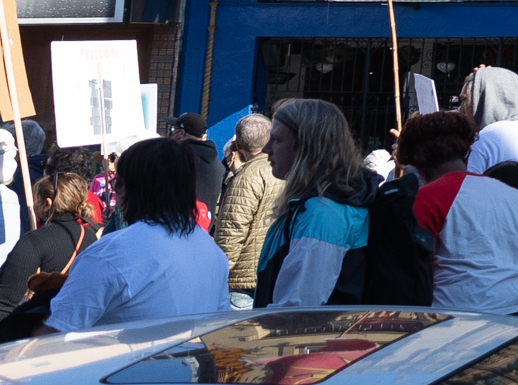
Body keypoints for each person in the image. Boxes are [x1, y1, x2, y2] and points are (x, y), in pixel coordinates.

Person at [45, 136, 230, 331]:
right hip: (191, 359)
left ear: (127, 188)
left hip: (121, 361)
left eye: (117, 184)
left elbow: (54, 334)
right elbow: (219, 328)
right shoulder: (214, 254)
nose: (116, 191)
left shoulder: (110, 254)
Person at [399, 113, 518, 316]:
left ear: (417, 160)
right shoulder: (514, 194)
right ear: (466, 150)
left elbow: (413, 269)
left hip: (458, 314)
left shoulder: (425, 199)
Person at [252, 99, 380, 308]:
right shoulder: (316, 208)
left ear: (305, 147)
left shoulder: (321, 215)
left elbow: (298, 310)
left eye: (276, 140)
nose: (266, 149)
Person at [0, 170, 94, 332]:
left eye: (36, 200)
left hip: (38, 332)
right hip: (76, 327)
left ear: (47, 203)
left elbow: (4, 302)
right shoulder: (91, 236)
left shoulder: (34, 241)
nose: (34, 205)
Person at [209, 112, 283, 310]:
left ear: (238, 146)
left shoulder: (247, 177)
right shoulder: (284, 170)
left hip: (244, 284)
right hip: (270, 275)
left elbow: (231, 232)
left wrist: (217, 276)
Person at [460, 66, 518, 173]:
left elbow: (469, 185)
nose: (461, 109)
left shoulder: (484, 140)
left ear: (486, 98)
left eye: (465, 100)